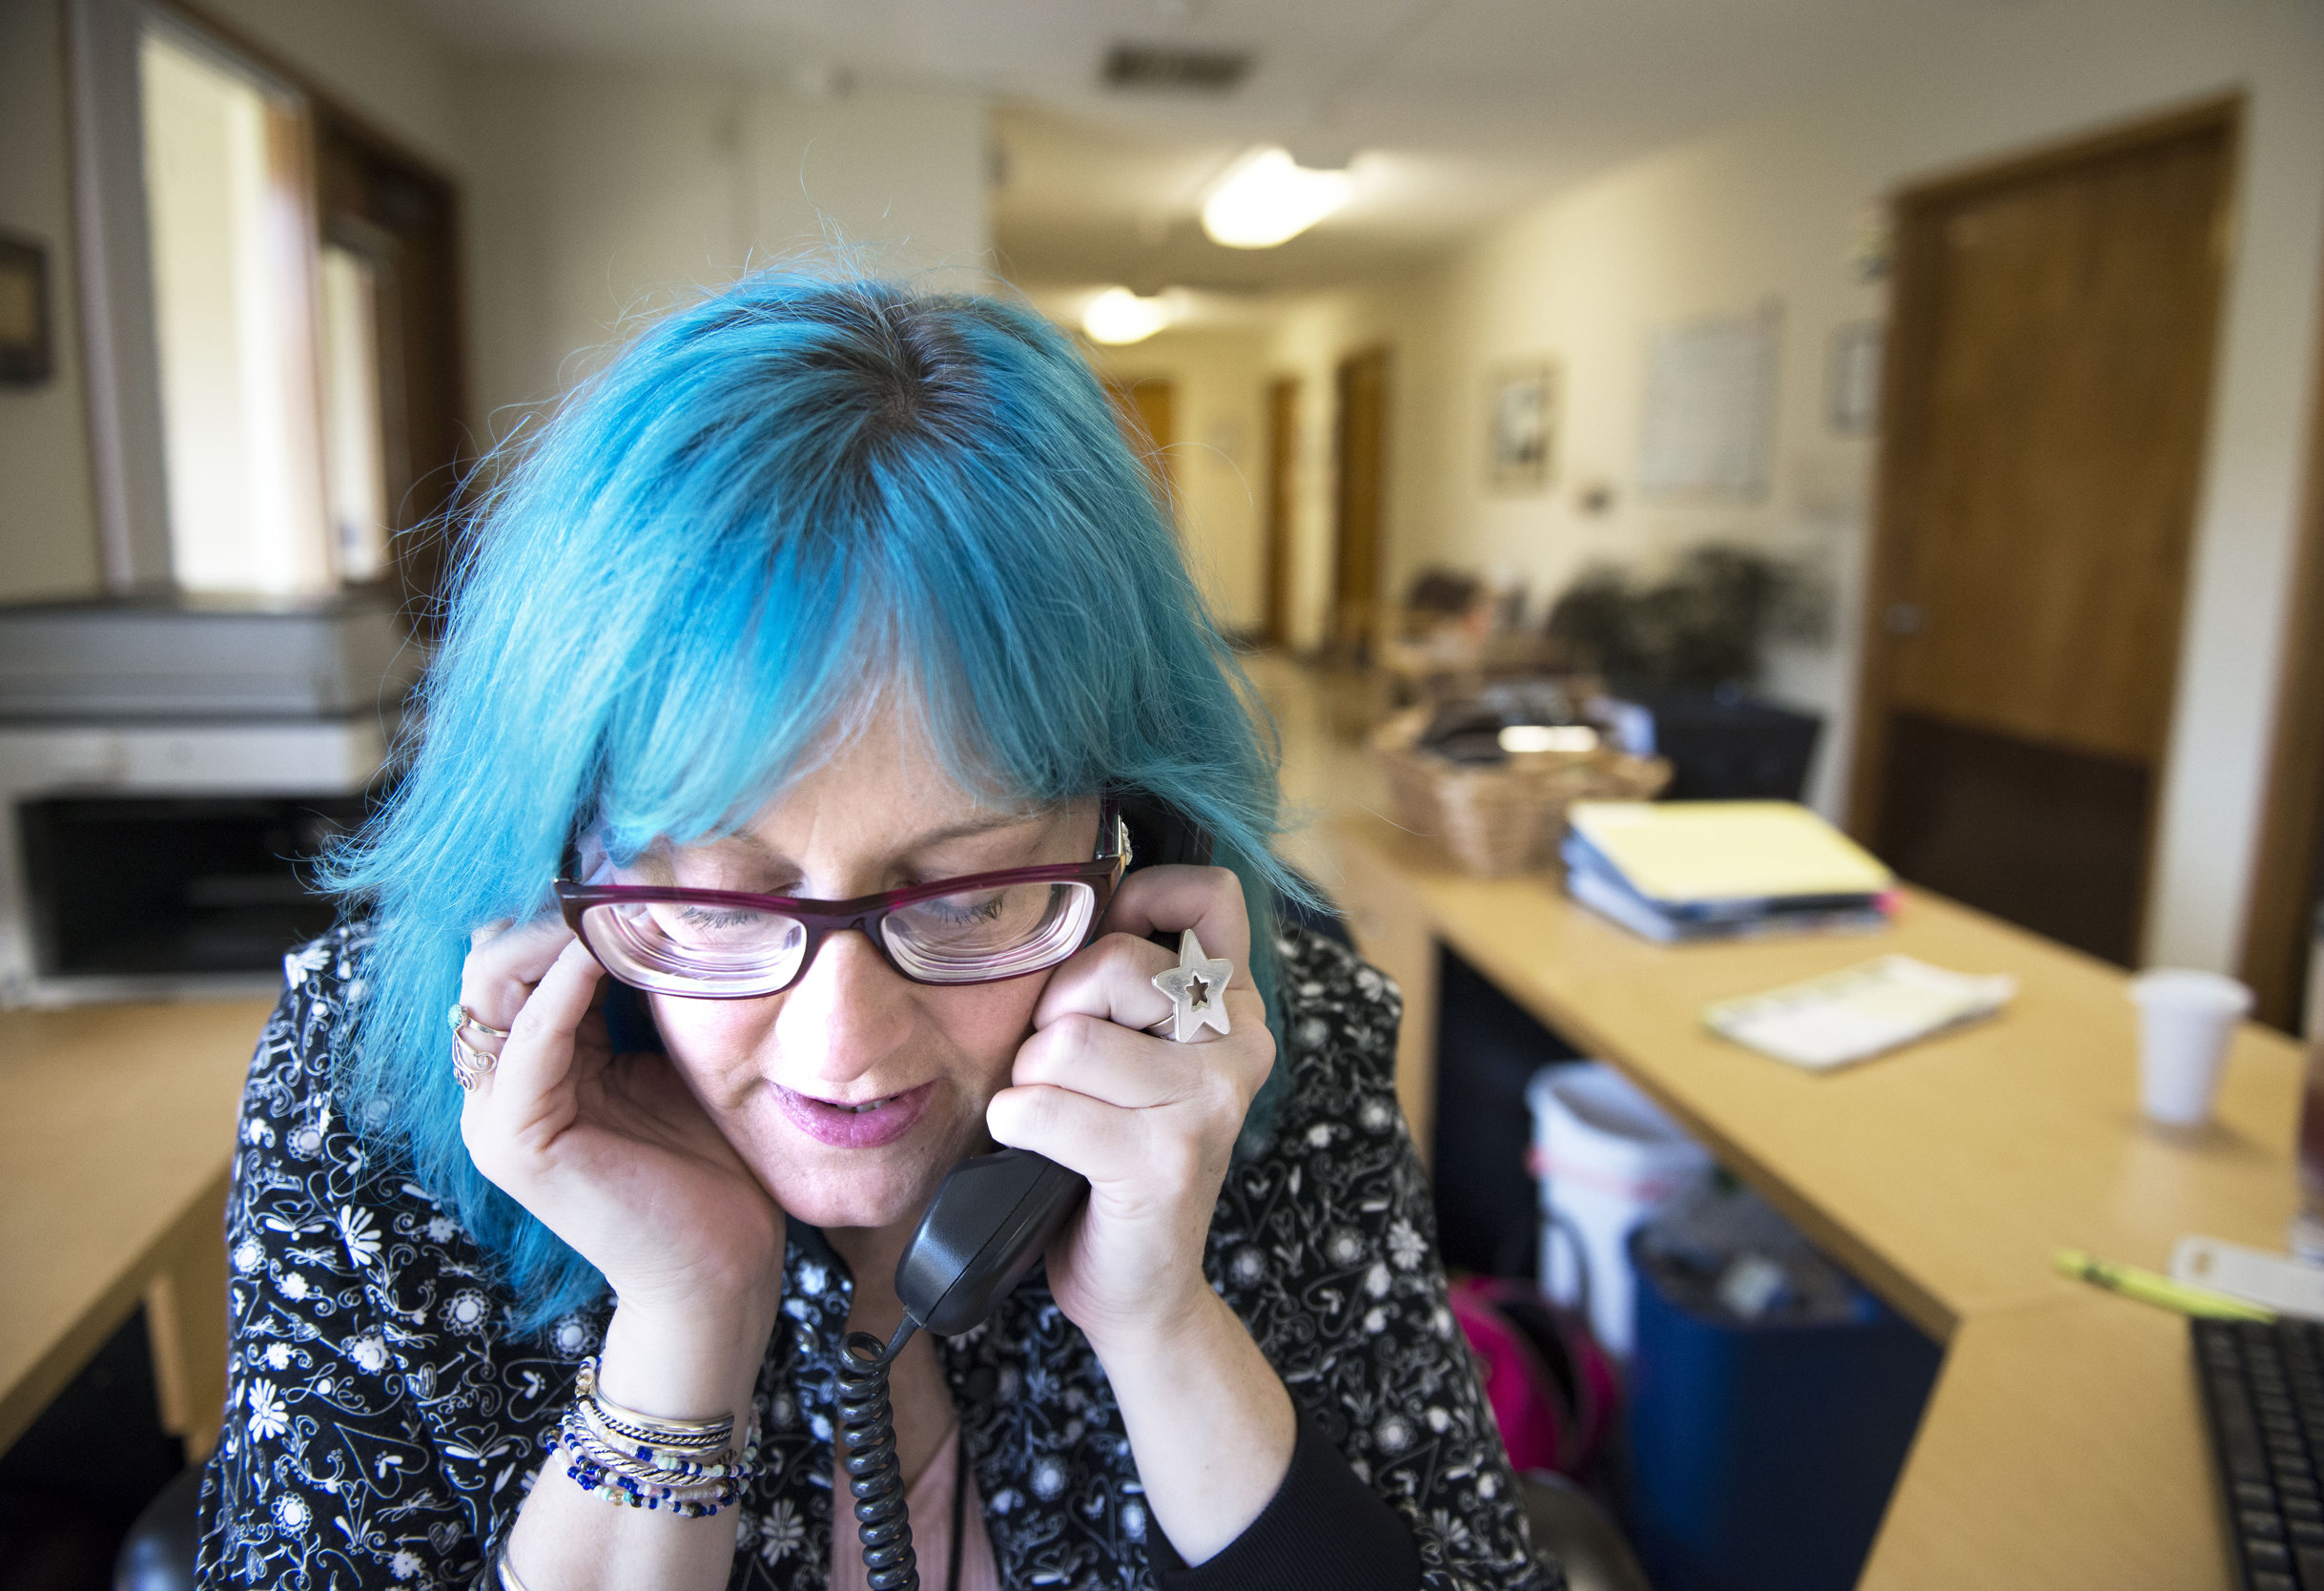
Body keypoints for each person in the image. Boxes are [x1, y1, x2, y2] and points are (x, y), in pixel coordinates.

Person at [194, 276, 1558, 1591]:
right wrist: (686, 1317)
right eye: (712, 901)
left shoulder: (1253, 1036)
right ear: (562, 857)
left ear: (1144, 844)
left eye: (967, 896)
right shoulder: (368, 1085)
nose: (844, 1047)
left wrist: (1164, 1323)